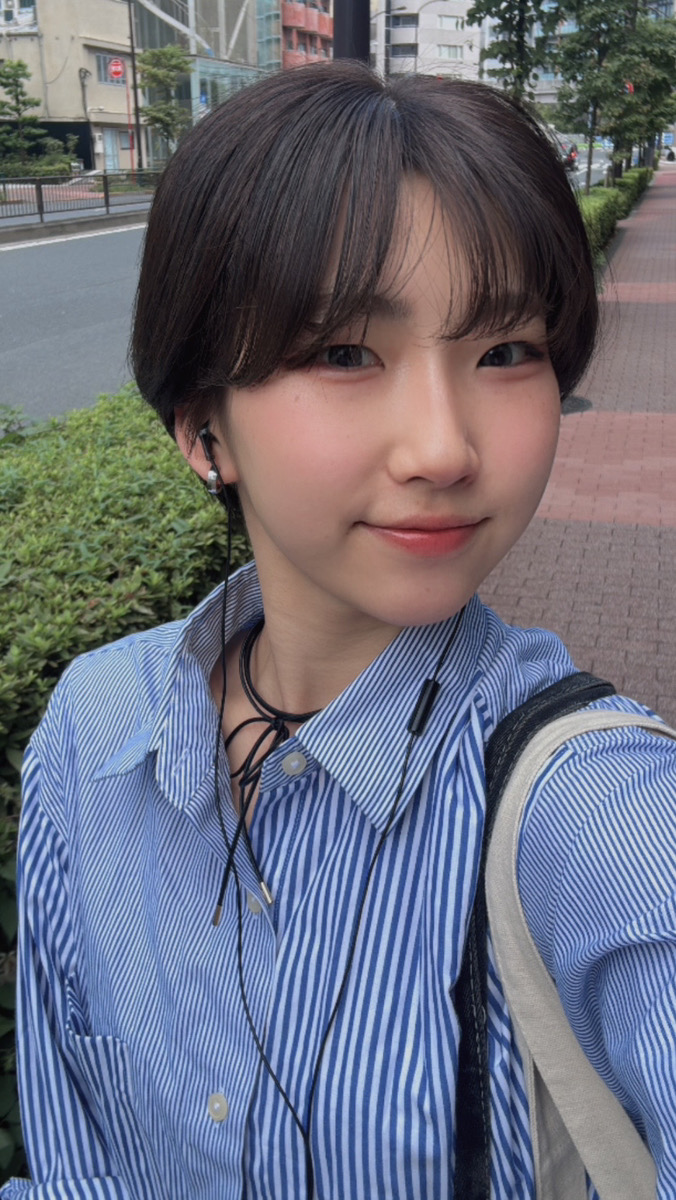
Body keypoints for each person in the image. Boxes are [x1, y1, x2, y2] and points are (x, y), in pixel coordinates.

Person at [5, 62, 676, 1200]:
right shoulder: (95, 731)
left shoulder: (594, 813)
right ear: (202, 428)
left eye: (506, 351)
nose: (443, 448)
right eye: (344, 353)